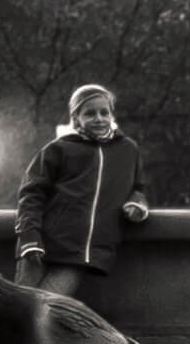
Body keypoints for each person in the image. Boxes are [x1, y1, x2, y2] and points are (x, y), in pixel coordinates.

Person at [14, 84, 150, 296]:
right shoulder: (58, 149)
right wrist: (29, 238)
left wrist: (136, 205)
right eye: (90, 113)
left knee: (45, 310)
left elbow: (138, 188)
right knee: (16, 308)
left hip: (79, 253)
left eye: (104, 112)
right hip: (40, 244)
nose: (99, 118)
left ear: (112, 115)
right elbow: (31, 195)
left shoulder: (128, 150)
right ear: (76, 118)